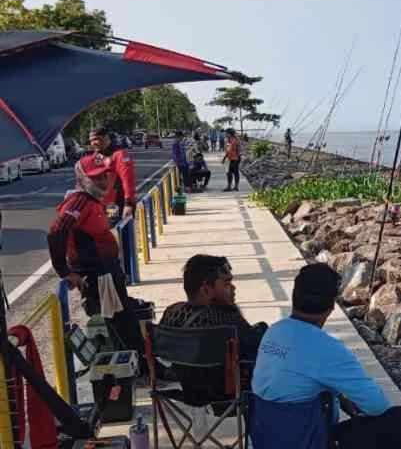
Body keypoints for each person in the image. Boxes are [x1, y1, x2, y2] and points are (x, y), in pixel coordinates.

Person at [252, 264, 401, 449]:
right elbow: (377, 406)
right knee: (399, 421)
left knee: (310, 403)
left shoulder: (274, 333)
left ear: (294, 296)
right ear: (331, 306)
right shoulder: (328, 349)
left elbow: (290, 383)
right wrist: (342, 393)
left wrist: (336, 394)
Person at [47, 153, 146, 361]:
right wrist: (64, 271)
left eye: (104, 176)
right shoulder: (79, 201)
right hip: (97, 275)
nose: (102, 181)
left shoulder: (92, 200)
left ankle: (139, 361)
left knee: (123, 317)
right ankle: (142, 364)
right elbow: (56, 231)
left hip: (107, 271)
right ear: (81, 179)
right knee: (122, 321)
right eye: (95, 178)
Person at [160, 255, 266, 364]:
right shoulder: (226, 320)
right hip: (222, 380)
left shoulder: (172, 312)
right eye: (226, 283)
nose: (233, 287)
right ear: (206, 289)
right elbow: (259, 351)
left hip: (176, 379)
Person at [88, 127, 135, 221]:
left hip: (117, 203)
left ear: (106, 138)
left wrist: (128, 203)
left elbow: (127, 179)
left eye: (97, 139)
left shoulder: (119, 154)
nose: (94, 143)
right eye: (91, 140)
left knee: (119, 232)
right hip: (102, 204)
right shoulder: (96, 156)